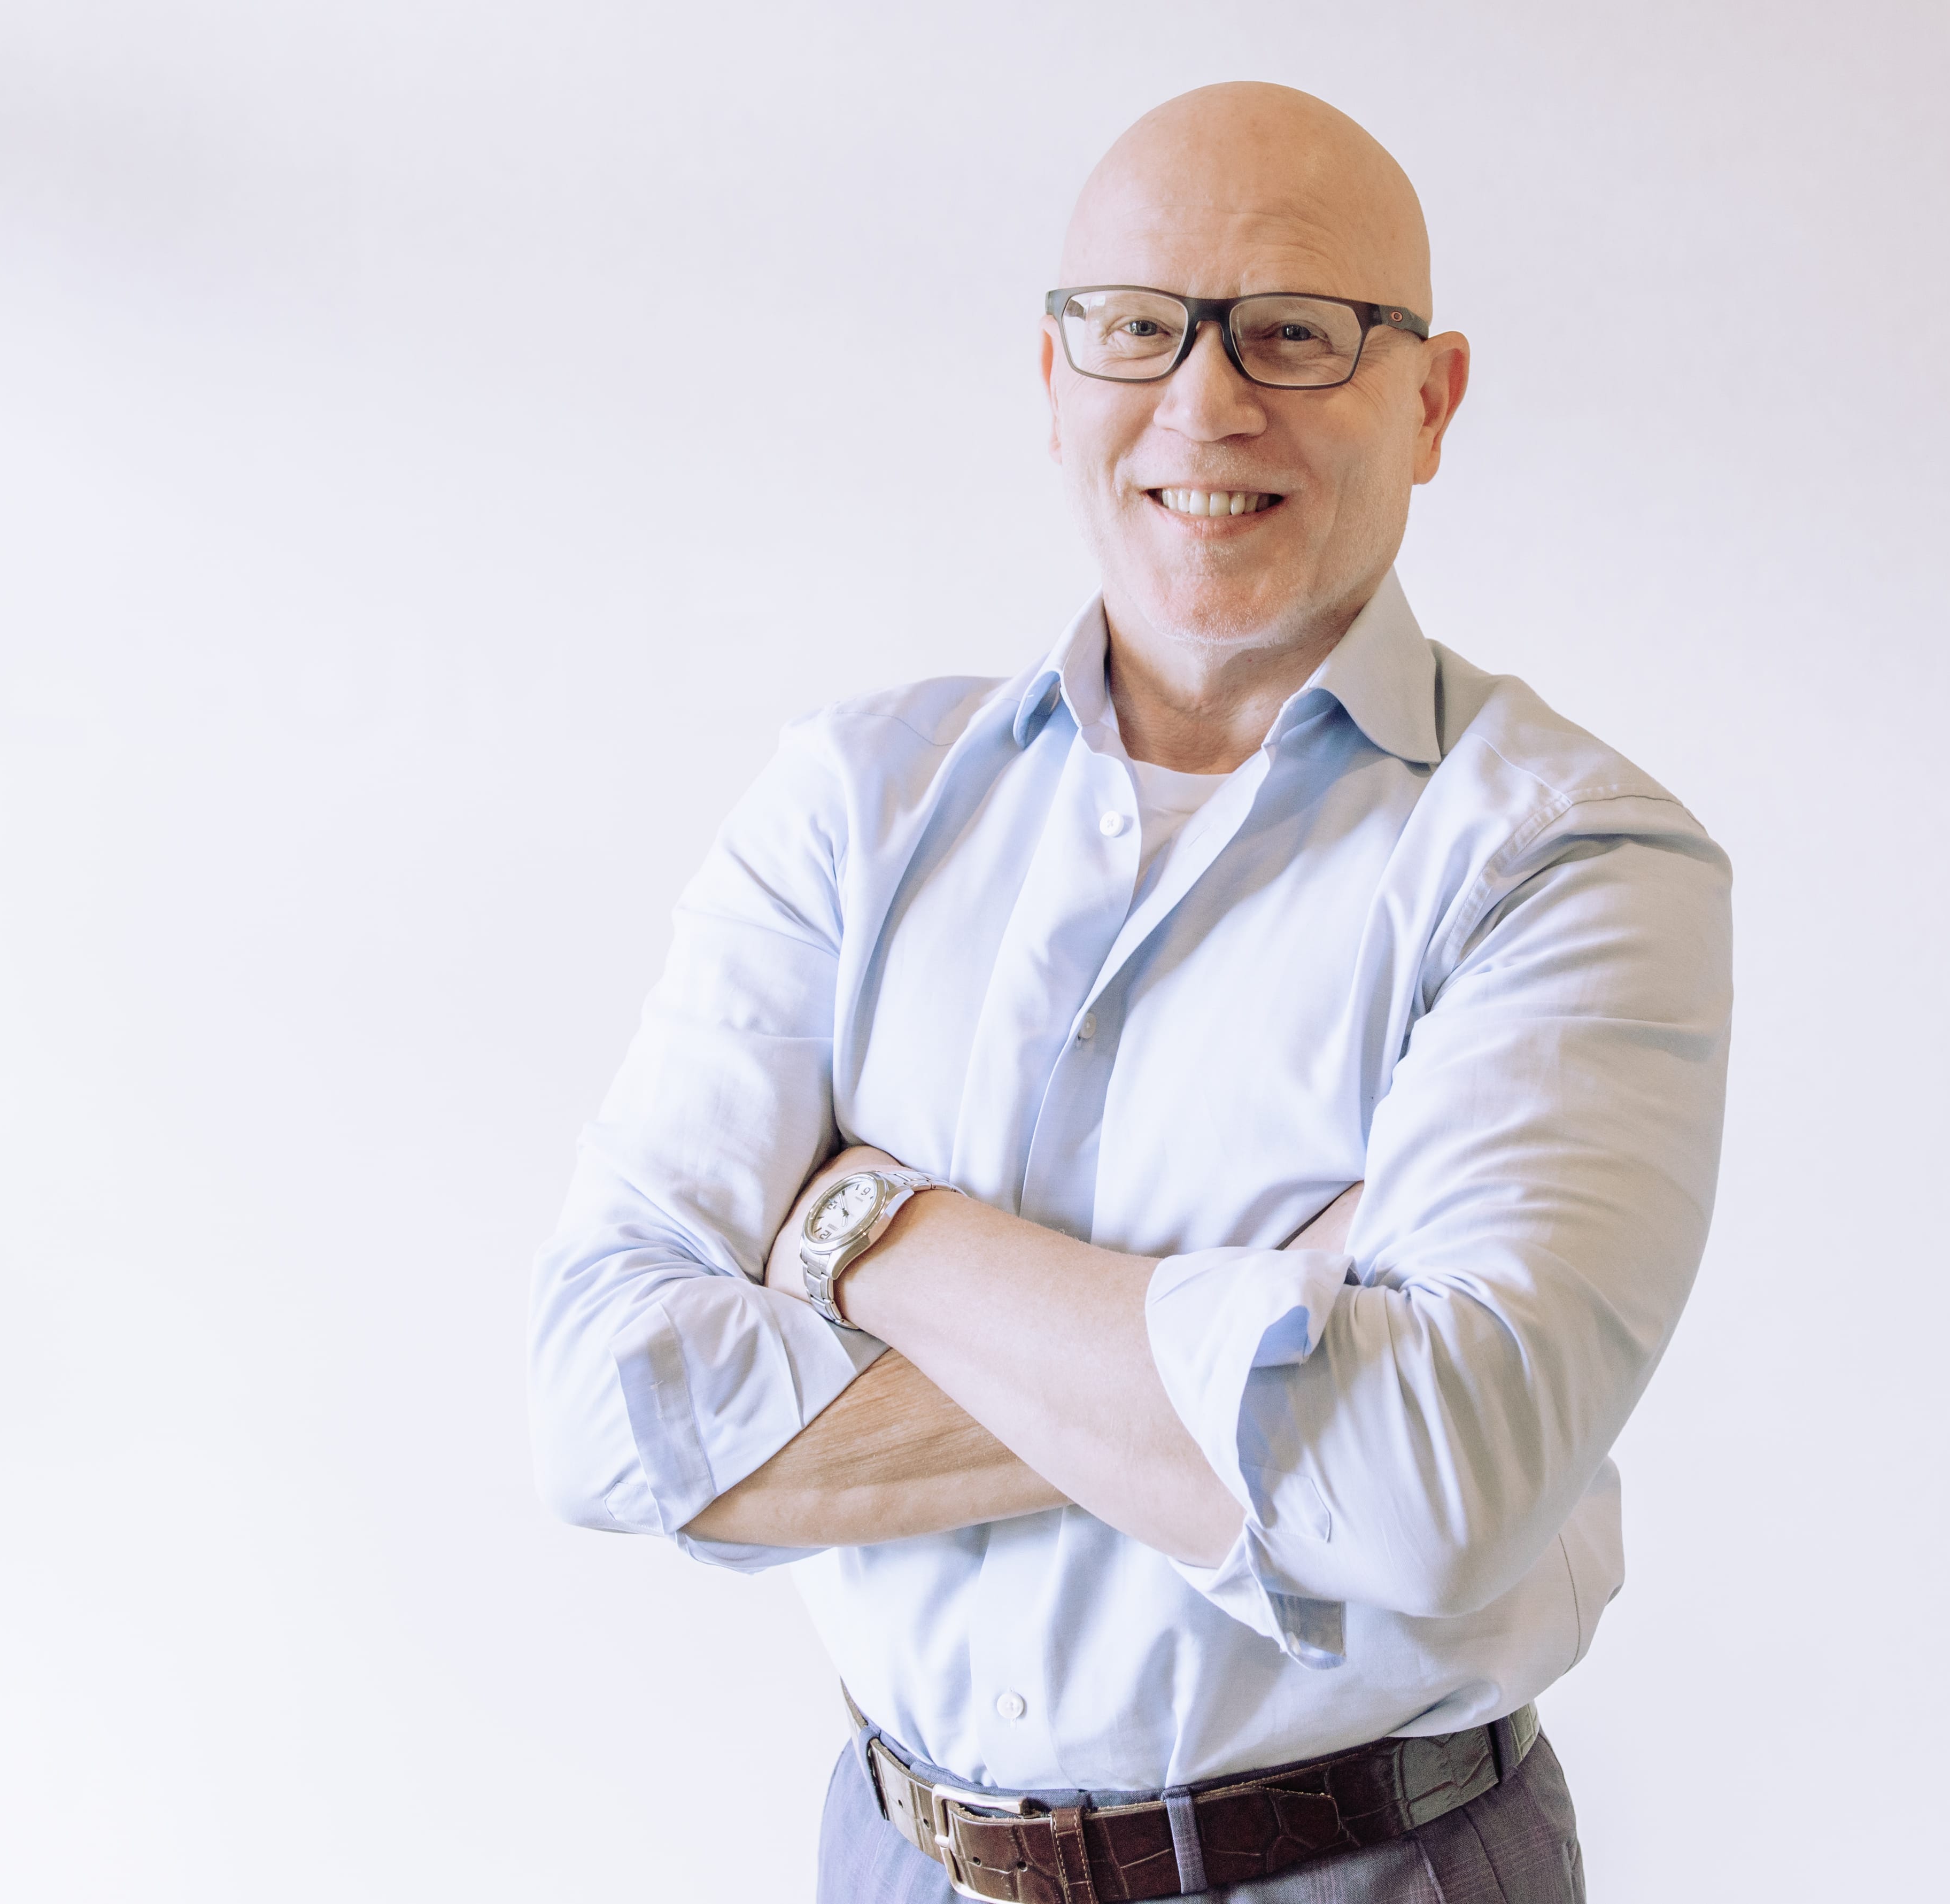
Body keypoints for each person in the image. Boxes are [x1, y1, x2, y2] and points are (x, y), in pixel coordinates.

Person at [529, 80, 1732, 1903]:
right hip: (900, 1857)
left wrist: (864, 1228)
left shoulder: (1568, 862)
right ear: (1052, 373)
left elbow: (1432, 1486)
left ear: (1431, 399)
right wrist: (1259, 1334)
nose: (1204, 401)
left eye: (1298, 334)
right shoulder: (851, 808)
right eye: (1136, 328)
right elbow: (604, 1407)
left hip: (1362, 1868)